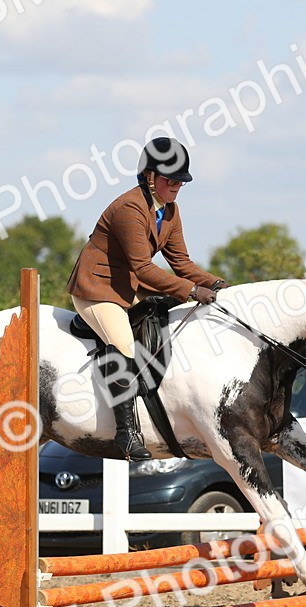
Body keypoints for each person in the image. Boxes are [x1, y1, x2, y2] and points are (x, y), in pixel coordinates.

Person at [67, 137, 227, 461]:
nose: (177, 185)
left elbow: (181, 262)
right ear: (150, 177)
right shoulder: (130, 208)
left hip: (127, 288)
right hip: (96, 289)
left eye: (181, 180)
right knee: (124, 343)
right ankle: (126, 435)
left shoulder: (170, 211)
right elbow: (143, 266)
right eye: (171, 179)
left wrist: (220, 285)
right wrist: (193, 291)